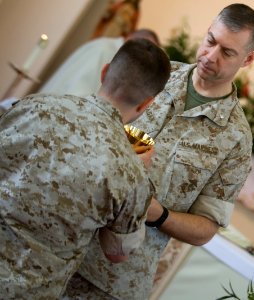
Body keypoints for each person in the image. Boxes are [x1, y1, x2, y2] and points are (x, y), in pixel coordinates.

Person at [67, 3, 254, 299]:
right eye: (210, 41)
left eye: (227, 52)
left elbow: (206, 228)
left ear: (248, 58)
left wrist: (158, 214)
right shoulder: (154, 73)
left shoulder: (236, 138)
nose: (211, 56)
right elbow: (93, 124)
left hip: (112, 280)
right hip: (64, 237)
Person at [0, 39, 171, 299]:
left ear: (104, 72)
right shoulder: (132, 174)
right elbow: (117, 253)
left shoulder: (32, 106)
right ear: (147, 103)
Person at [39, 28, 160, 97]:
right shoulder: (106, 50)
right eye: (145, 47)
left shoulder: (110, 49)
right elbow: (78, 91)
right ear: (131, 37)